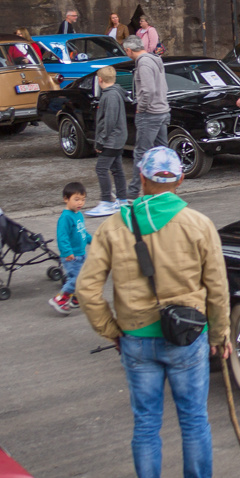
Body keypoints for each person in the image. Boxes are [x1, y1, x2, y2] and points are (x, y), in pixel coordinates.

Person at [76, 145, 230, 478]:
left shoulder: (113, 226)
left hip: (136, 339)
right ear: (179, 180)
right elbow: (217, 287)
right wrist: (221, 333)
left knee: (146, 424)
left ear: (142, 179)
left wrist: (110, 329)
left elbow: (86, 289)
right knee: (194, 420)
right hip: (187, 338)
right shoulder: (198, 224)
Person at [89, 65, 129, 216]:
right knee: (117, 169)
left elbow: (109, 121)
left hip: (111, 139)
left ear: (99, 79)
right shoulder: (116, 92)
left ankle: (106, 201)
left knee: (101, 169)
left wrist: (100, 141)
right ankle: (122, 200)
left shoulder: (110, 96)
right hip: (117, 138)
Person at [127, 35, 169, 169]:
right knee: (162, 151)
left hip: (150, 113)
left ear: (129, 50)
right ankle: (165, 184)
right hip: (162, 109)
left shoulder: (143, 63)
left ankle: (135, 189)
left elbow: (148, 90)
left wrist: (141, 107)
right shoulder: (155, 59)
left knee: (141, 153)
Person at [51, 183, 90, 315]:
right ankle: (60, 299)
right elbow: (62, 237)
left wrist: (92, 240)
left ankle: (75, 299)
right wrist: (67, 252)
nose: (80, 203)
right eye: (77, 199)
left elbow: (82, 232)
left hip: (81, 253)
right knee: (76, 279)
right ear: (66, 199)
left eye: (83, 199)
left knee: (83, 276)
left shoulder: (78, 214)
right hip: (72, 256)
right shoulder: (66, 217)